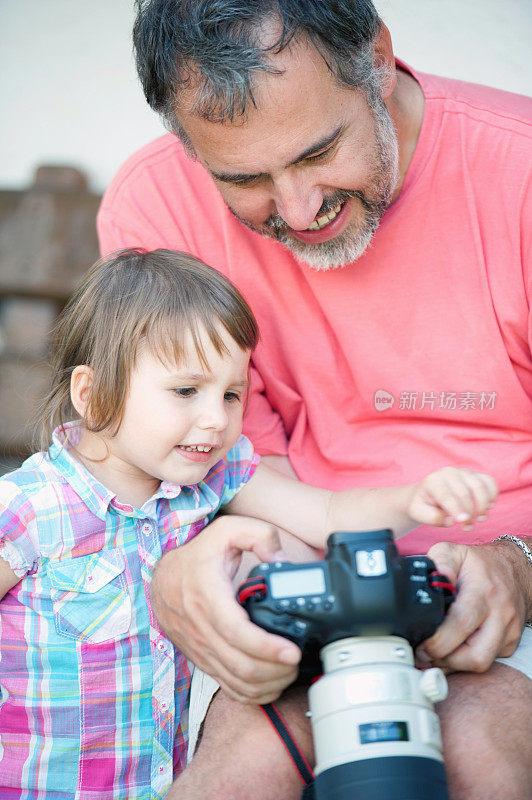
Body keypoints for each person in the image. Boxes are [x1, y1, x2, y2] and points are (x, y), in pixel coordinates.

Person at [97, 2, 532, 798]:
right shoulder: (154, 212)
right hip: (289, 567)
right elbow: (217, 470)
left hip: (509, 588)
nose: (298, 211)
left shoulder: (522, 174)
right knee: (245, 770)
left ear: (376, 59)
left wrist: (521, 568)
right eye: (244, 180)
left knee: (484, 754)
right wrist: (185, 568)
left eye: (319, 152)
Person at [0, 246, 496, 798]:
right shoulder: (30, 508)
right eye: (186, 391)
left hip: (165, 781)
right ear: (93, 397)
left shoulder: (214, 475)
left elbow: (328, 515)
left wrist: (415, 500)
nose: (216, 420)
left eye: (232, 393)